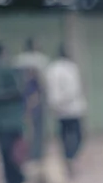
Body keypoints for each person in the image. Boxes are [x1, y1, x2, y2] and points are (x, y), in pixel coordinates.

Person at [0, 41, 33, 183]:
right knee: (4, 154)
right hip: (1, 122)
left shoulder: (8, 70)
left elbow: (19, 92)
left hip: (12, 121)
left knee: (13, 153)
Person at [44, 45, 87, 174]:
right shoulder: (71, 68)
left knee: (64, 135)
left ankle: (68, 157)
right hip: (73, 109)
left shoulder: (51, 69)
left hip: (59, 110)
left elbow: (50, 91)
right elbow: (75, 88)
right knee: (77, 135)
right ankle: (71, 157)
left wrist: (56, 103)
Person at [14, 39, 49, 168]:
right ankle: (35, 157)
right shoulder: (39, 61)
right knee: (36, 132)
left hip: (24, 105)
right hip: (34, 104)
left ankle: (29, 157)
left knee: (27, 132)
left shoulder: (18, 60)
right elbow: (42, 86)